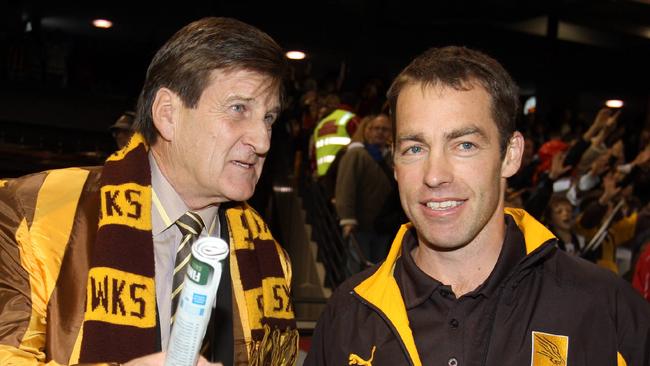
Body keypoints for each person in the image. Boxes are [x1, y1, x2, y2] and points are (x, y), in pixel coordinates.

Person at [305, 46, 650, 365]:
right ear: (395, 162)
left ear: (511, 155)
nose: (435, 175)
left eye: (464, 145)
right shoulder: (347, 317)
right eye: (414, 149)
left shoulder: (605, 309)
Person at [0, 17, 298, 366]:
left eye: (269, 118)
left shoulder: (270, 258)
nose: (262, 141)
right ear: (167, 114)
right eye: (238, 109)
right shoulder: (32, 212)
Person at [335, 114, 394, 264]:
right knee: (356, 271)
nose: (380, 132)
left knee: (378, 272)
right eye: (376, 128)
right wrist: (348, 219)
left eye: (385, 129)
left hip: (384, 227)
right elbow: (345, 188)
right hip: (360, 226)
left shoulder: (392, 158)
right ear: (368, 131)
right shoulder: (356, 154)